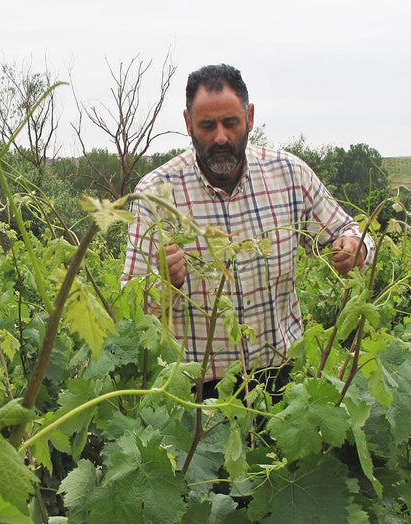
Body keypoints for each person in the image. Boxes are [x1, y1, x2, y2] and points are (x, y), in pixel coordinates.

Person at [121, 64, 375, 396]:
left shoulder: (289, 174)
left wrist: (356, 247)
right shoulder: (155, 193)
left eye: (231, 123)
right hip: (197, 396)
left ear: (250, 117)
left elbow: (348, 229)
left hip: (283, 382)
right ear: (188, 124)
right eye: (207, 126)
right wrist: (165, 285)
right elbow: (132, 310)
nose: (221, 137)